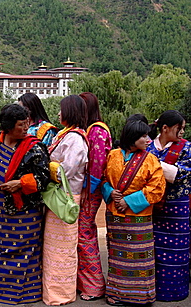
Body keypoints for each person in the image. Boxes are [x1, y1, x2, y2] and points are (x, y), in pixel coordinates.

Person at [0, 104, 50, 304]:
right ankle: (0, 291)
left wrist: (20, 183)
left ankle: (24, 294)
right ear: (8, 127)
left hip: (25, 210)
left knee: (24, 249)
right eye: (21, 125)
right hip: (0, 208)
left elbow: (43, 178)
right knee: (5, 247)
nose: (26, 128)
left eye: (27, 123)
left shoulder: (35, 148)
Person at [102, 120, 166, 306]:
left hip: (139, 217)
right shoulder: (113, 155)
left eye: (148, 136)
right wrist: (110, 192)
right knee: (117, 256)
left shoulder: (150, 159)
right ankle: (116, 294)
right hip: (115, 215)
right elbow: (104, 178)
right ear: (132, 137)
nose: (148, 140)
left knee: (140, 258)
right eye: (144, 136)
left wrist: (128, 201)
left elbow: (156, 187)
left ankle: (141, 296)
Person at [42, 95, 88, 306]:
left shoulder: (75, 139)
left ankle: (61, 294)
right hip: (59, 196)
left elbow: (65, 172)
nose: (59, 114)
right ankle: (53, 291)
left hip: (65, 197)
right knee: (54, 248)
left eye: (62, 110)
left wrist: (47, 166)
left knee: (63, 250)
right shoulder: (66, 135)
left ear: (70, 112)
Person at [147, 110, 191, 301]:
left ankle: (176, 292)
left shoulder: (186, 148)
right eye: (178, 128)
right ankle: (153, 291)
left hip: (177, 207)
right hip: (154, 207)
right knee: (153, 250)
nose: (182, 132)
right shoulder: (149, 147)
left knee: (179, 251)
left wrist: (155, 166)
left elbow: (184, 172)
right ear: (165, 128)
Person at [76, 92, 112, 301]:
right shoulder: (92, 129)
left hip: (91, 190)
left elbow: (97, 165)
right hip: (90, 189)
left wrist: (87, 190)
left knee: (85, 234)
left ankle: (94, 285)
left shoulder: (97, 130)